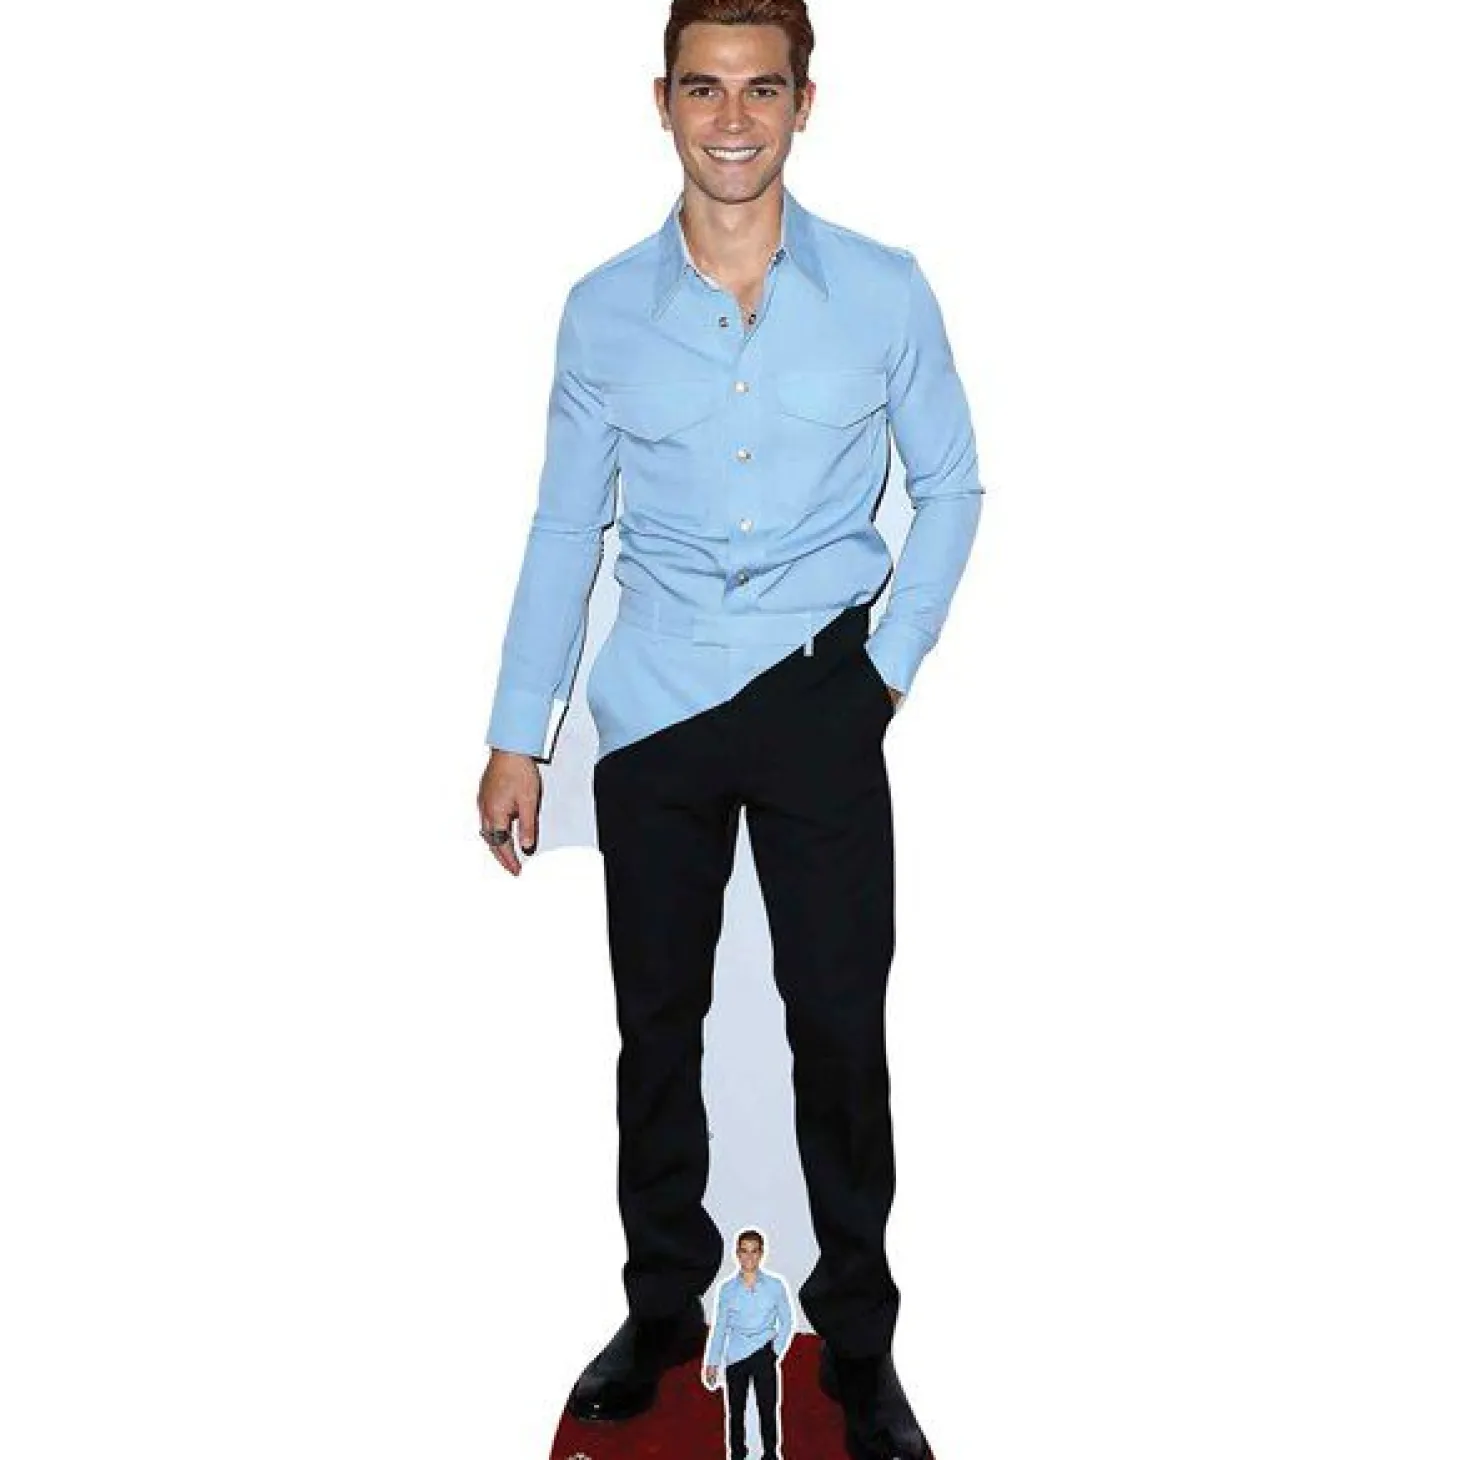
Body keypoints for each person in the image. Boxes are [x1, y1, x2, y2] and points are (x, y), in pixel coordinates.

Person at [477, 5, 985, 1457]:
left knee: (839, 1028)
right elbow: (565, 523)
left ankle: (861, 1345)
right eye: (704, 89)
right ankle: (660, 1308)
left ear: (804, 102)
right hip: (654, 710)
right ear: (663, 102)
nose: (734, 120)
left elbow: (952, 487)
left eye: (762, 88)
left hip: (821, 697)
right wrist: (519, 732)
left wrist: (884, 673)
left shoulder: (882, 291)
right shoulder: (600, 312)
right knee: (656, 1029)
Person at [704, 1230, 794, 1460]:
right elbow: (720, 1327)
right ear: (737, 1254)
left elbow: (787, 1321)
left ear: (761, 1253)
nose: (749, 1257)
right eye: (744, 1251)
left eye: (754, 1251)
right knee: (735, 1412)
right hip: (736, 1356)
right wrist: (712, 1362)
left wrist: (774, 1351)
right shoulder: (727, 1289)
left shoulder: (775, 1285)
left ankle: (771, 1454)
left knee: (768, 1410)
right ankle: (737, 1454)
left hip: (764, 1353)